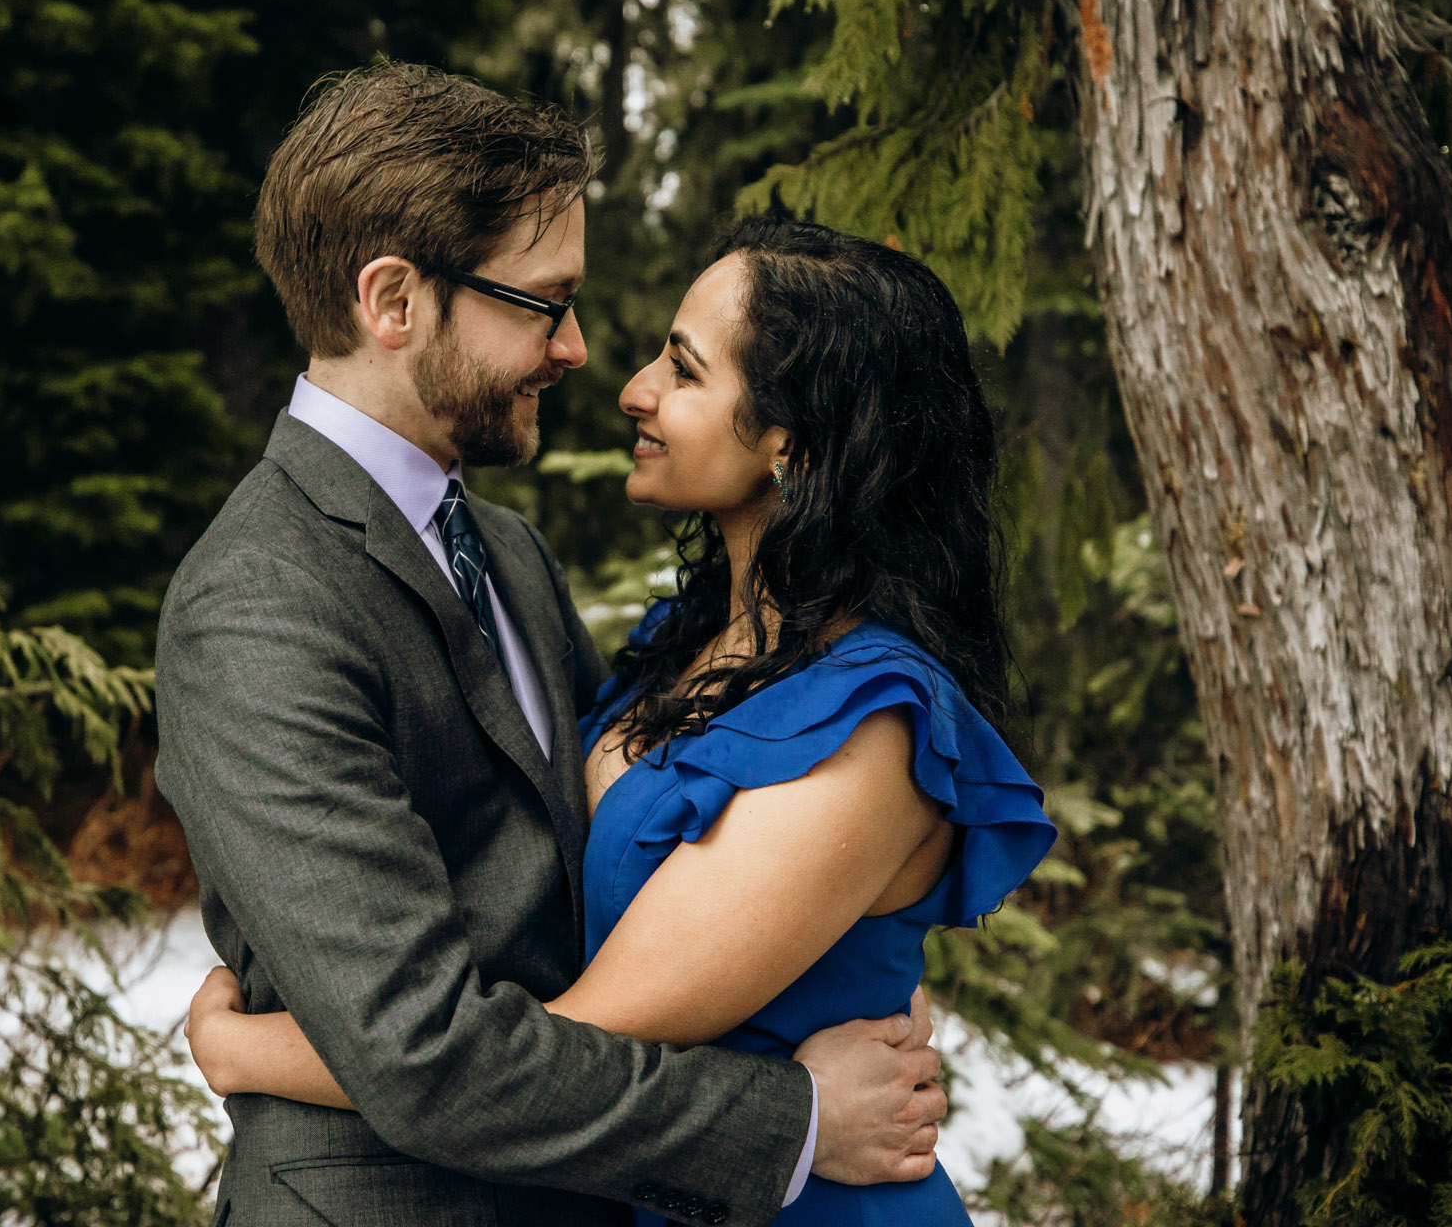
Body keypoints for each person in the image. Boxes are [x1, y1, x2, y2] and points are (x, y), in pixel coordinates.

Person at [154, 64, 956, 1227]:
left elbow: (611, 903)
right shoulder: (259, 601)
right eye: (543, 303)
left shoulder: (505, 553)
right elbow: (422, 1054)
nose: (579, 351)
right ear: (393, 302)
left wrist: (250, 1050)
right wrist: (791, 1120)